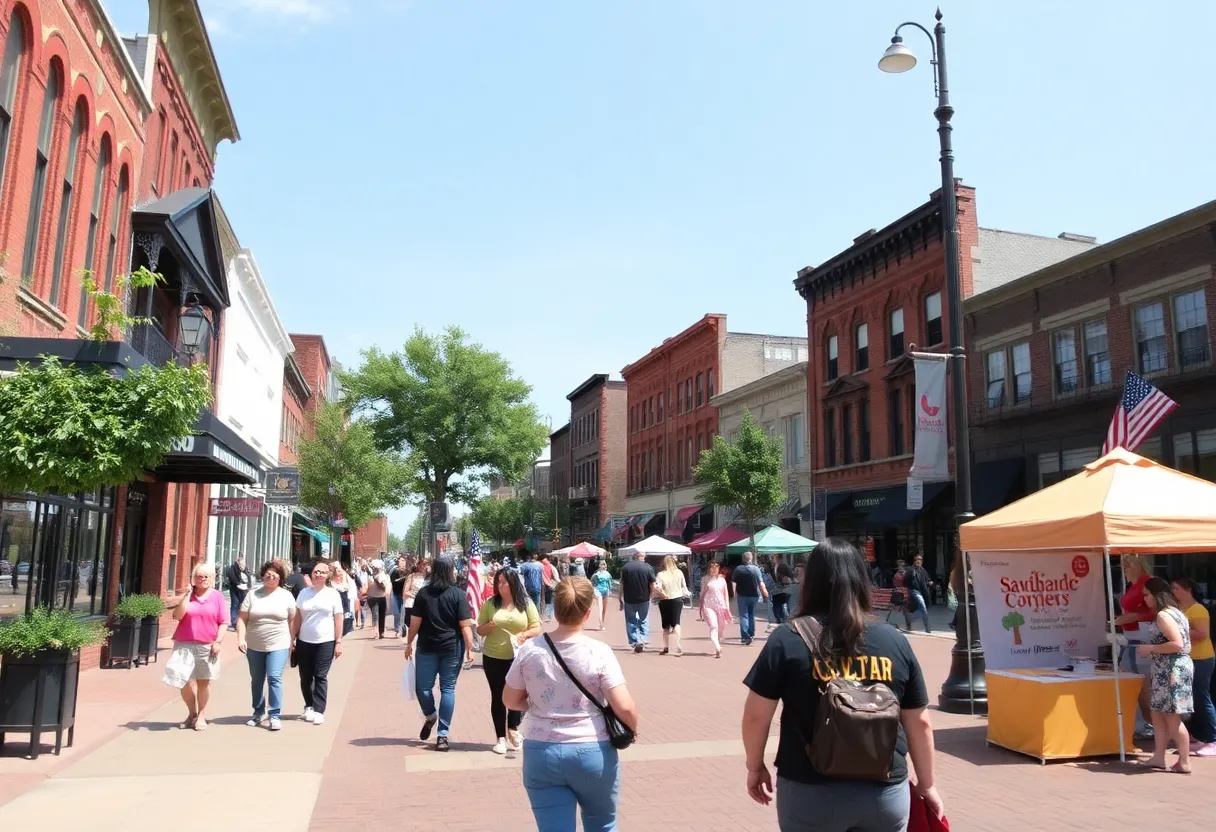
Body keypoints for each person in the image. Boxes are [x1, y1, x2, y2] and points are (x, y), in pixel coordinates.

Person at [741, 538, 943, 830]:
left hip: (809, 788)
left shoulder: (788, 638)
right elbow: (919, 722)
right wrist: (927, 785)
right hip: (883, 789)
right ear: (862, 580)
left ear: (811, 581)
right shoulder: (894, 640)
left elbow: (756, 714)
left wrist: (755, 766)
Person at [504, 577, 639, 832]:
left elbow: (509, 699)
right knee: (603, 824)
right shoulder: (598, 651)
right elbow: (625, 706)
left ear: (555, 610)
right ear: (587, 613)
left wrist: (536, 704)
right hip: (593, 750)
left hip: (541, 750)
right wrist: (633, 729)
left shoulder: (530, 649)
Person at [404, 558, 475, 751]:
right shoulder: (457, 594)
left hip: (434, 648)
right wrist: (469, 647)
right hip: (445, 648)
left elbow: (415, 623)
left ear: (434, 571)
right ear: (450, 572)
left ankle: (441, 731)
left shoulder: (425, 593)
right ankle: (433, 719)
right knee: (435, 690)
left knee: (434, 689)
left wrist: (409, 642)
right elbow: (465, 624)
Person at [476, 567, 541, 754]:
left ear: (513, 582)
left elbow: (536, 627)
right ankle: (500, 738)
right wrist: (488, 626)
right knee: (498, 696)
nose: (500, 584)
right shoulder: (491, 603)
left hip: (518, 657)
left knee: (518, 694)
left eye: (504, 581)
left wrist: (523, 635)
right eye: (498, 581)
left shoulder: (525, 603)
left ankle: (513, 728)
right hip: (493, 656)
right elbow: (479, 630)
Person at [1137, 577, 1194, 773]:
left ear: (1156, 595)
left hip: (1171, 669)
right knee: (1158, 713)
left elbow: (1177, 643)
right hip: (1167, 668)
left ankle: (1184, 761)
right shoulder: (1177, 613)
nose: (1144, 599)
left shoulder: (1164, 615)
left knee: (1171, 716)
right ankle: (1159, 757)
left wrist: (1150, 648)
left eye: (1146, 595)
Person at [237, 560, 297, 731]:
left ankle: (275, 714)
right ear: (263, 576)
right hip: (254, 644)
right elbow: (242, 618)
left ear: (280, 578)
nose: (271, 577)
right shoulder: (253, 595)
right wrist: (241, 638)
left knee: (274, 678)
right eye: (268, 575)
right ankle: (258, 711)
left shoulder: (286, 596)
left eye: (275, 575)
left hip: (279, 643)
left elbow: (293, 619)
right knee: (256, 680)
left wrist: (292, 640)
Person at [169, 562, 228, 731]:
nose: (203, 579)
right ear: (193, 579)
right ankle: (191, 713)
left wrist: (218, 641)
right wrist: (186, 595)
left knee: (203, 681)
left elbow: (223, 622)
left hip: (207, 645)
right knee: (184, 681)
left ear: (212, 579)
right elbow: (177, 616)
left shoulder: (217, 597)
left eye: (206, 576)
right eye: (199, 576)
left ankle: (201, 715)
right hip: (184, 644)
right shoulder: (189, 595)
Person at [290, 559, 344, 726]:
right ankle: (309, 705)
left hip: (325, 641)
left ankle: (319, 709)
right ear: (311, 574)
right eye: (316, 572)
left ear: (328, 575)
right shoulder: (304, 593)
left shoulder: (333, 594)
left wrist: (338, 641)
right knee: (305, 677)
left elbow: (338, 617)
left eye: (322, 572)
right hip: (305, 641)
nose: (318, 574)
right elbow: (297, 617)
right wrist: (292, 638)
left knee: (320, 676)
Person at [1172, 577, 1216, 756]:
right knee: (1192, 700)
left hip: (1202, 658)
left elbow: (1203, 634)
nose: (1174, 592)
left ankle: (1213, 738)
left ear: (1187, 589)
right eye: (1172, 589)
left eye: (1176, 589)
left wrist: (1176, 631)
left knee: (1202, 697)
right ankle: (1200, 737)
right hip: (1188, 658)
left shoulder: (1197, 609)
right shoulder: (1182, 609)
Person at [1114, 554, 1156, 738]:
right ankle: (1140, 723)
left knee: (1144, 684)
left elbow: (1153, 610)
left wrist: (1129, 618)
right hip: (1130, 637)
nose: (1123, 570)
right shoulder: (1134, 585)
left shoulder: (1147, 582)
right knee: (1129, 681)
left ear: (1137, 566)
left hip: (1142, 637)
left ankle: (1152, 724)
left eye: (1127, 566)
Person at [620, 551, 656, 653]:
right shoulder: (648, 567)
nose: (644, 558)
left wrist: (620, 597)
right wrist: (651, 595)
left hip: (629, 598)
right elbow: (652, 584)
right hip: (644, 598)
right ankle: (643, 640)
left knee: (631, 620)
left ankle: (634, 641)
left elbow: (622, 584)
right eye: (643, 556)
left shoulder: (626, 567)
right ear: (639, 557)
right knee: (644, 619)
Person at [732, 551, 768, 646]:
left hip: (742, 595)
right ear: (751, 559)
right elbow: (761, 583)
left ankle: (745, 636)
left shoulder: (738, 569)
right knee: (751, 615)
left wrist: (734, 593)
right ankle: (751, 635)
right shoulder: (756, 569)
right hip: (753, 595)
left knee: (743, 615)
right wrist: (765, 593)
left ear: (743, 559)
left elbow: (734, 583)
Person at [655, 556, 688, 656]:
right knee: (676, 622)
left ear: (664, 563)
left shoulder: (660, 574)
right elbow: (684, 586)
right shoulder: (679, 573)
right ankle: (677, 644)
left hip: (665, 600)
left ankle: (666, 647)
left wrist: (663, 594)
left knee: (665, 624)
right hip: (677, 599)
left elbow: (658, 587)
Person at [700, 561, 732, 658]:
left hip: (720, 606)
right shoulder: (705, 579)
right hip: (709, 605)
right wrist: (701, 607)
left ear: (718, 569)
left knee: (721, 627)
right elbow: (702, 593)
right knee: (714, 626)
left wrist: (727, 608)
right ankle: (717, 647)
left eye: (716, 568)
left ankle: (717, 644)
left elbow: (725, 594)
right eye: (711, 567)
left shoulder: (722, 580)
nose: (713, 569)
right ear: (709, 568)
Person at [902, 554, 933, 634]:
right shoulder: (910, 570)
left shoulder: (923, 570)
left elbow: (927, 580)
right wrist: (910, 589)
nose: (919, 561)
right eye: (917, 560)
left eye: (920, 560)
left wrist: (929, 582)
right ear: (914, 561)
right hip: (914, 591)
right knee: (923, 607)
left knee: (923, 609)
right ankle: (927, 628)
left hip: (923, 592)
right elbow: (905, 582)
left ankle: (910, 621)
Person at [224, 554, 251, 632]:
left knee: (243, 605)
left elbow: (248, 577)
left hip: (243, 590)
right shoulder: (232, 569)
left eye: (244, 564)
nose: (243, 565)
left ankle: (240, 622)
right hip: (234, 589)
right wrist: (239, 584)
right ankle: (233, 622)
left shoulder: (245, 569)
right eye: (242, 564)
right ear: (238, 563)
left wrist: (248, 586)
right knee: (235, 604)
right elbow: (232, 578)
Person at [402, 558, 430, 632]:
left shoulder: (429, 578)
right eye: (420, 565)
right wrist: (415, 595)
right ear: (417, 566)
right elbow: (405, 592)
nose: (422, 567)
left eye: (424, 565)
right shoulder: (412, 576)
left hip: (424, 604)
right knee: (410, 623)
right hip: (411, 603)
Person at [365, 562, 391, 639]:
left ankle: (381, 632)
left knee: (382, 615)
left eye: (377, 568)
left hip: (382, 597)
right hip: (373, 598)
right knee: (375, 615)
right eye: (375, 568)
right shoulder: (370, 576)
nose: (375, 569)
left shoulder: (384, 576)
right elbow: (367, 586)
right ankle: (376, 633)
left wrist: (379, 583)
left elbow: (385, 587)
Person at [771, 553, 795, 626]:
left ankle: (781, 618)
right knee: (781, 604)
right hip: (781, 588)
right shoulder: (777, 565)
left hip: (783, 587)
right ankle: (781, 618)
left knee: (779, 604)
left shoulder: (782, 565)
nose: (773, 559)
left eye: (775, 557)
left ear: (778, 558)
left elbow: (790, 576)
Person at [390, 555, 410, 636]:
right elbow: (393, 581)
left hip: (404, 595)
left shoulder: (408, 572)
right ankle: (397, 629)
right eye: (399, 561)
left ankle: (402, 628)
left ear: (405, 562)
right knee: (397, 613)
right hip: (396, 594)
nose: (400, 562)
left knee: (403, 613)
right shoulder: (394, 571)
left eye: (402, 560)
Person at [591, 560, 612, 630]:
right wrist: (609, 590)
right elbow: (609, 584)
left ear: (599, 565)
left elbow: (592, 583)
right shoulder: (608, 574)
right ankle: (602, 623)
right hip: (605, 591)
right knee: (604, 609)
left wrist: (593, 591)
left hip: (598, 591)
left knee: (600, 608)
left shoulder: (596, 574)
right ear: (605, 566)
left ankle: (601, 625)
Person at [541, 556, 559, 621]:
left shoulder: (541, 566)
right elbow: (556, 576)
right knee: (549, 601)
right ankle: (549, 616)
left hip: (544, 585)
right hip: (549, 585)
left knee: (546, 601)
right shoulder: (551, 566)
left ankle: (546, 615)